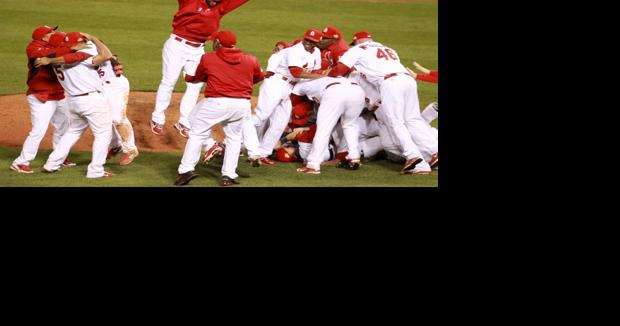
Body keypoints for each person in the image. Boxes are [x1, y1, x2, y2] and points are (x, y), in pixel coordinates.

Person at [329, 31, 438, 174]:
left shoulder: (357, 50)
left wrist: (325, 75)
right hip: (407, 80)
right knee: (411, 121)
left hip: (390, 83)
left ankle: (414, 157)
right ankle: (426, 158)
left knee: (396, 122)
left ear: (356, 42)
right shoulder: (388, 49)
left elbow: (340, 69)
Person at [174, 30, 264, 186]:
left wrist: (187, 77)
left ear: (218, 43)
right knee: (234, 138)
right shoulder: (251, 60)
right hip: (241, 104)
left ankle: (186, 171)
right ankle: (228, 176)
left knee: (197, 133)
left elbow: (197, 78)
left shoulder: (208, 58)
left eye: (213, 42)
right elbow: (257, 77)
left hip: (216, 103)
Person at [151, 0, 250, 138]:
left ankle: (184, 122)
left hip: (198, 50)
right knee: (169, 81)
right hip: (177, 45)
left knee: (195, 85)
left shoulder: (221, 6)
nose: (216, 2)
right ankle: (158, 118)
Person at [37, 32, 116, 178]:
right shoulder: (81, 58)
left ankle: (52, 163)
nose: (85, 44)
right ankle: (95, 170)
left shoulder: (56, 60)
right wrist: (94, 38)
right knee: (103, 134)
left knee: (73, 132)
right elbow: (107, 55)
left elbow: (68, 56)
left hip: (73, 101)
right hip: (91, 101)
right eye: (82, 42)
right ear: (76, 44)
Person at [10, 26, 87, 174]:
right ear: (43, 37)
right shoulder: (34, 48)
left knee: (63, 127)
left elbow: (64, 51)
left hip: (59, 94)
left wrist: (71, 47)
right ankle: (20, 162)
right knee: (38, 130)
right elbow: (49, 55)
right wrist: (70, 48)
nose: (54, 33)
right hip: (41, 95)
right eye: (50, 32)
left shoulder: (54, 45)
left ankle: (59, 157)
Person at [252, 29, 326, 165]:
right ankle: (227, 144)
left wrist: (321, 74)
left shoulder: (316, 52)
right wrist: (320, 76)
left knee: (280, 122)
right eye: (307, 39)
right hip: (276, 83)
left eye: (312, 42)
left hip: (288, 88)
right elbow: (296, 72)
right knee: (261, 116)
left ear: (318, 43)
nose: (308, 43)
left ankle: (262, 153)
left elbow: (316, 70)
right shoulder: (295, 50)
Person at [293, 76, 365, 174]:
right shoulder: (322, 78)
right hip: (357, 90)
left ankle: (313, 165)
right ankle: (354, 157)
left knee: (323, 130)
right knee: (350, 125)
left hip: (334, 91)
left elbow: (292, 100)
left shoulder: (301, 84)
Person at [101, 54, 139, 166]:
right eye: (116, 69)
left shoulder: (120, 80)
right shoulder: (103, 69)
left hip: (117, 89)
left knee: (118, 119)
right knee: (105, 119)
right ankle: (116, 145)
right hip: (106, 92)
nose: (119, 71)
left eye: (121, 69)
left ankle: (131, 149)